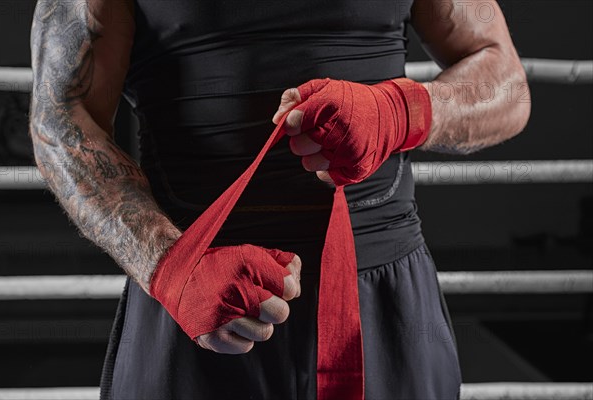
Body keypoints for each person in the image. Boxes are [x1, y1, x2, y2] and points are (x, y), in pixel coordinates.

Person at [29, 0, 530, 399]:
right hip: (196, 301)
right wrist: (171, 267)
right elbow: (61, 115)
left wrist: (402, 111)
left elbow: (506, 82)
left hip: (383, 301)